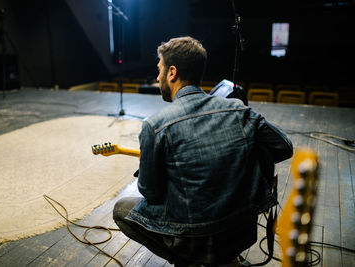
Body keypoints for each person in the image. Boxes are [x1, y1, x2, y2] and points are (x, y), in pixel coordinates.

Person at [113, 36, 293, 266]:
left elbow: (152, 194)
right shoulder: (238, 109)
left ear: (172, 72)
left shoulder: (155, 125)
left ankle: (188, 260)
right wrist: (245, 161)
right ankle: (226, 260)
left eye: (159, 69)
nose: (157, 77)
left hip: (193, 238)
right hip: (239, 231)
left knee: (121, 209)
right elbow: (284, 148)